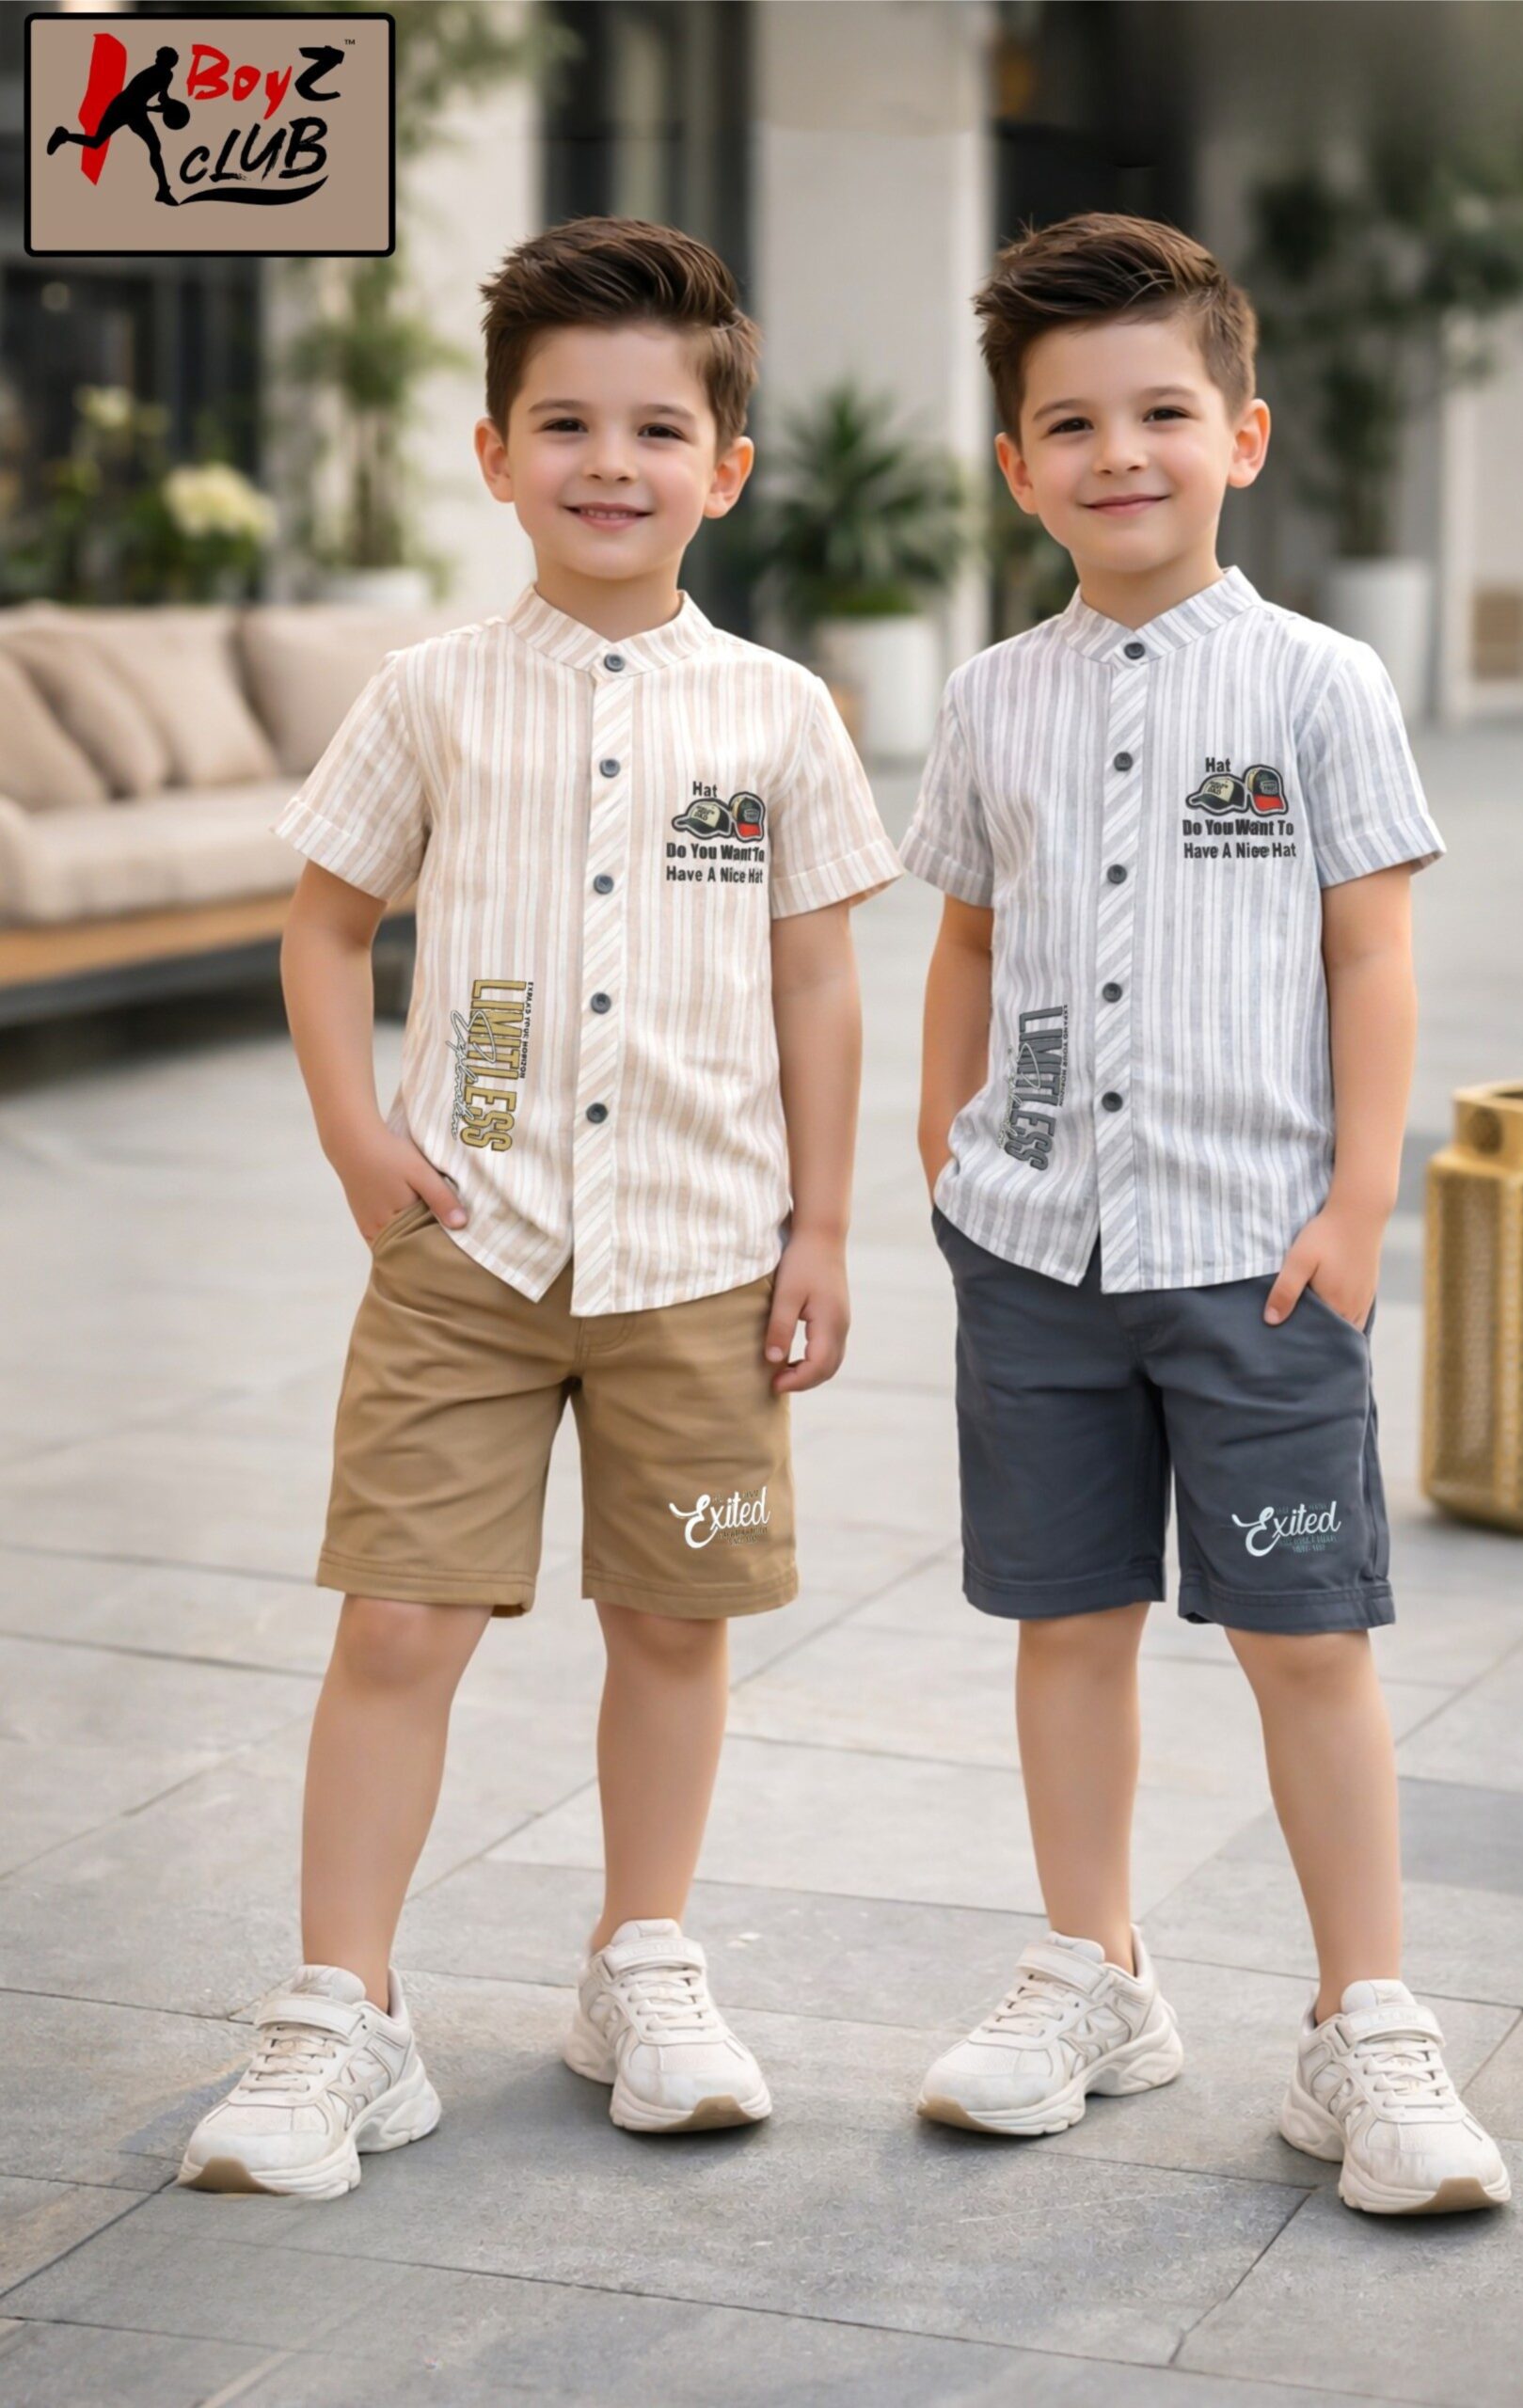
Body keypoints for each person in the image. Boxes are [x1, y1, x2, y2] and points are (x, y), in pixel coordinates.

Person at [178, 216, 899, 2198]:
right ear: (493, 454)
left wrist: (824, 1227)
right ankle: (343, 2008)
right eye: (564, 423)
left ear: (723, 469)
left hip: (702, 1259)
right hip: (466, 1253)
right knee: (399, 1619)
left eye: (657, 430)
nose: (610, 462)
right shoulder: (428, 695)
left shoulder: (780, 712)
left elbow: (819, 981)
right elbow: (325, 926)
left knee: (673, 1620)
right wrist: (358, 1138)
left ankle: (638, 1961)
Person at [903, 213, 1509, 2216]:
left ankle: (1365, 2025)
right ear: (1017, 466)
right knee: (1064, 1624)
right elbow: (966, 935)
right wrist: (945, 1150)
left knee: (1302, 1639)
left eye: (1160, 412)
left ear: (1241, 435)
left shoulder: (1321, 683)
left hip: (1259, 1256)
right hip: (1039, 1254)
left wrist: (1357, 1202)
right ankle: (1094, 1973)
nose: (1119, 454)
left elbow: (1370, 953)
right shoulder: (989, 697)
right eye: (1069, 424)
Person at [46, 46, 183, 206]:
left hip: (134, 111)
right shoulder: (152, 74)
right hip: (123, 107)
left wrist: (171, 106)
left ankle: (163, 190)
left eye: (161, 58)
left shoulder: (167, 75)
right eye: (158, 57)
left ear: (169, 62)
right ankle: (63, 136)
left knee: (154, 146)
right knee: (97, 142)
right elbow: (136, 99)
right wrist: (159, 109)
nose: (157, 59)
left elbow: (162, 98)